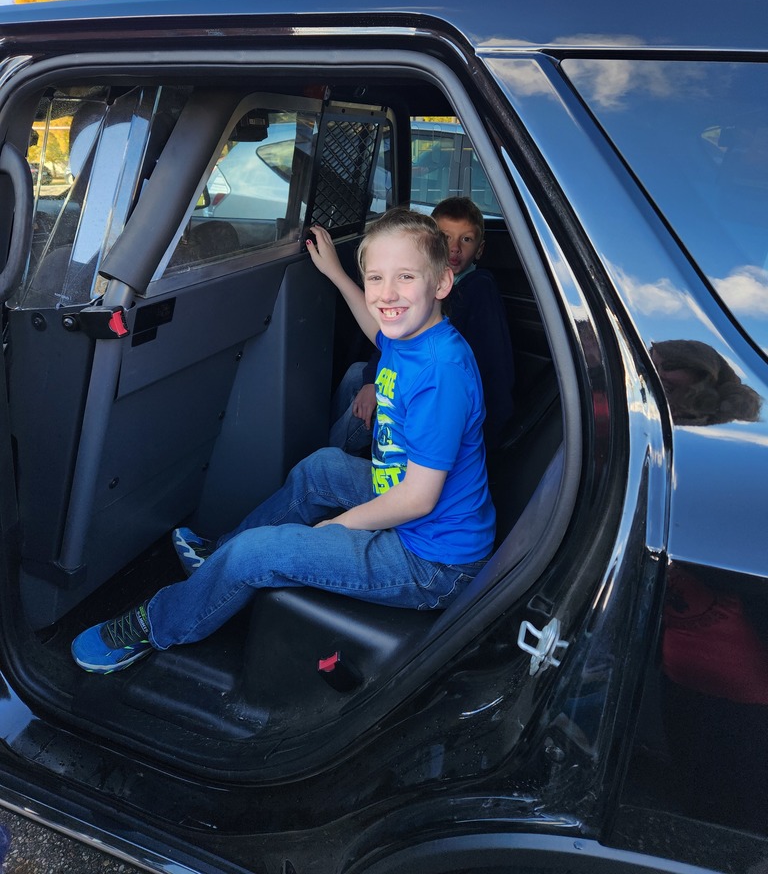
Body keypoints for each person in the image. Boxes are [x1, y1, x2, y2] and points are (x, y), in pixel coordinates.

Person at [72, 208, 496, 674]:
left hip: (433, 564)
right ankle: (219, 558)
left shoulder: (441, 373)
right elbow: (377, 328)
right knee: (322, 468)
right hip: (419, 517)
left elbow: (418, 499)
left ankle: (157, 624)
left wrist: (338, 526)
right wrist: (336, 273)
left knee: (260, 554)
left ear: (442, 283)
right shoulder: (412, 334)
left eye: (405, 277)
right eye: (376, 278)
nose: (387, 294)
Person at [330, 197, 515, 453]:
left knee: (319, 466)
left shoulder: (475, 290)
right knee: (356, 373)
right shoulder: (429, 300)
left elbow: (490, 372)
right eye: (445, 237)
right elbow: (390, 340)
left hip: (448, 419)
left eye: (466, 239)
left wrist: (375, 383)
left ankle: (328, 453)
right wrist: (372, 378)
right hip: (421, 385)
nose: (454, 248)